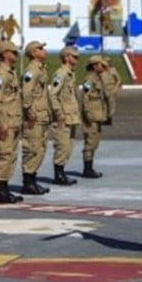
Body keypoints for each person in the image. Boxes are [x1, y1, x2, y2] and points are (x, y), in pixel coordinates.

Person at [0, 41, 24, 203]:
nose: (16, 54)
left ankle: (5, 188)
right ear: (4, 54)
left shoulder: (10, 73)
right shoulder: (0, 75)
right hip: (6, 122)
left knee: (10, 155)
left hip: (13, 120)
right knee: (3, 155)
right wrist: (1, 123)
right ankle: (0, 191)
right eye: (13, 52)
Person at [20, 41, 51, 195]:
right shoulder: (32, 71)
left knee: (40, 148)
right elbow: (26, 93)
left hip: (42, 115)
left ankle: (33, 180)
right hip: (35, 116)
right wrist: (29, 111)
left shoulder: (41, 69)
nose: (44, 50)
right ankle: (28, 182)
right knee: (32, 148)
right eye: (40, 48)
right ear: (33, 53)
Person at [49, 46, 81, 186]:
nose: (76, 59)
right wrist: (59, 113)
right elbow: (53, 94)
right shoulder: (60, 74)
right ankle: (58, 174)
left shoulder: (70, 74)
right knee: (62, 146)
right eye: (74, 57)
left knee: (68, 146)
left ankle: (62, 172)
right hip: (63, 117)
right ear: (66, 57)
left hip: (71, 116)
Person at [81, 56, 110, 179]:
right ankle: (87, 169)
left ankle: (90, 167)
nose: (103, 67)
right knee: (90, 143)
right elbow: (85, 97)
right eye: (100, 65)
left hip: (98, 115)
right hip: (91, 116)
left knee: (95, 142)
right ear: (94, 66)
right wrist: (88, 114)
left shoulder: (98, 79)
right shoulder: (89, 80)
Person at [101, 57, 121, 125]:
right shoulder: (101, 70)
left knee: (111, 105)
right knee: (103, 105)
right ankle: (104, 118)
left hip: (111, 89)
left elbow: (118, 80)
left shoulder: (113, 70)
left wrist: (116, 88)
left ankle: (109, 118)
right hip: (102, 89)